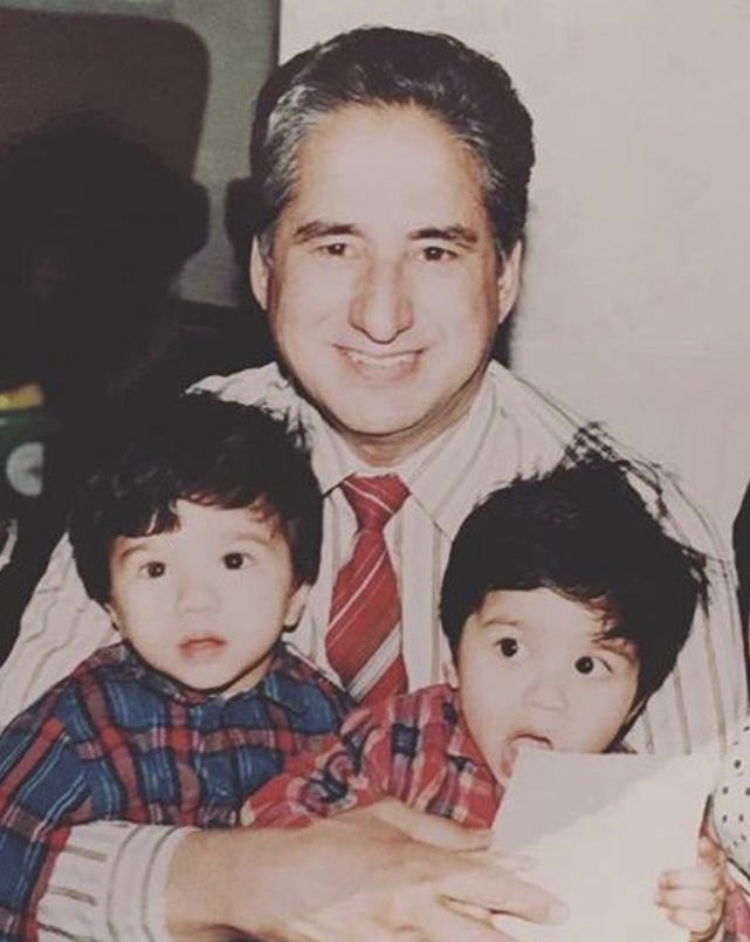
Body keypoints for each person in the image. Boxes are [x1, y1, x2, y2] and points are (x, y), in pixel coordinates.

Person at [0, 25, 744, 942]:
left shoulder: (643, 536)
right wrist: (240, 879)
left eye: (435, 251)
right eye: (334, 246)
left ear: (505, 274)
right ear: (263, 266)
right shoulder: (165, 473)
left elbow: (718, 884)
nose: (381, 314)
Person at [245, 456, 735, 942]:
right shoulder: (396, 740)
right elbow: (263, 823)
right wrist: (345, 857)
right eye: (510, 648)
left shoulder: (639, 808)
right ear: (453, 658)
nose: (544, 696)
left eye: (588, 666)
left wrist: (705, 923)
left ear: (636, 703)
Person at [0, 393, 355, 942]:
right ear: (112, 609)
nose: (195, 600)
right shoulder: (78, 727)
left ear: (296, 594)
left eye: (234, 560)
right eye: (155, 568)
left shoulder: (333, 723)